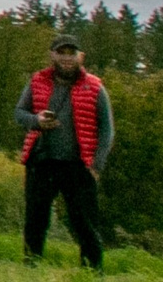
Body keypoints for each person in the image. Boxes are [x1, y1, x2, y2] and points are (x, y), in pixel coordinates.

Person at [17, 34, 114, 268]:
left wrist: (96, 166)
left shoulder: (95, 86)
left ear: (80, 56)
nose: (67, 58)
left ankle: (92, 271)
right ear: (53, 55)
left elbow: (107, 129)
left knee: (84, 222)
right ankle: (31, 266)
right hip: (42, 161)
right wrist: (36, 120)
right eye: (62, 53)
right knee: (36, 220)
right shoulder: (37, 81)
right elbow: (19, 113)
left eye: (71, 53)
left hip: (79, 165)